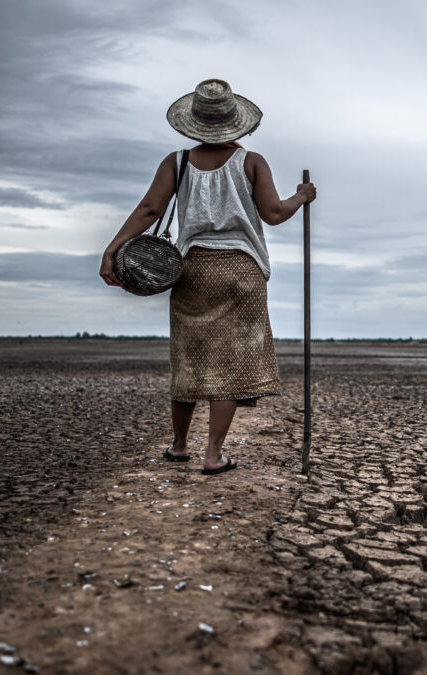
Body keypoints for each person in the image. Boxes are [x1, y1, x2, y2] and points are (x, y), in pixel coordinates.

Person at [100, 78, 316, 476]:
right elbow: (272, 213)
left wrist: (113, 248)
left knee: (188, 358)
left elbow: (150, 210)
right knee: (231, 364)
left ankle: (179, 446)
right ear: (238, 123)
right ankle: (213, 455)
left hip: (192, 269)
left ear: (193, 124)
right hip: (241, 270)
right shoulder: (251, 161)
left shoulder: (176, 162)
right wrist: (300, 198)